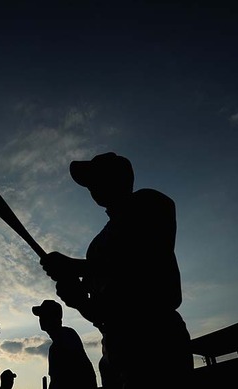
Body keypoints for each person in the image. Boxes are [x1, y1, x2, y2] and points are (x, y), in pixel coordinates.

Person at [39, 151, 193, 389]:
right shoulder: (97, 244)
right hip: (115, 349)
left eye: (97, 178)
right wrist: (77, 298)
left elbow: (142, 259)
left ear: (119, 178)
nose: (91, 187)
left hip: (157, 338)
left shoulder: (150, 203)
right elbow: (101, 313)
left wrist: (74, 266)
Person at [32, 299, 98, 389]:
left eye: (44, 315)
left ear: (53, 318)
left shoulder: (66, 336)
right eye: (41, 316)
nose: (41, 319)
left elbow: (61, 378)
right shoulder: (59, 341)